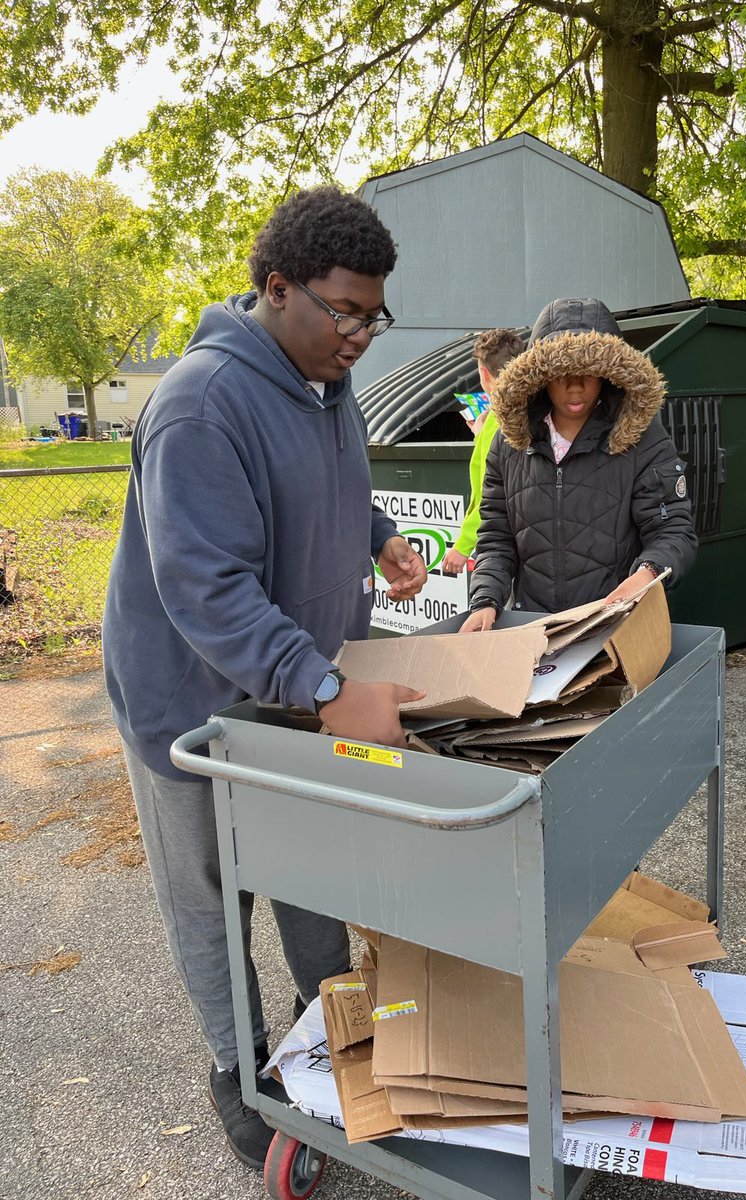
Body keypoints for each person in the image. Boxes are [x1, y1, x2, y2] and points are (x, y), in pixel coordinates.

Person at [102, 186, 427, 1170]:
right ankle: (236, 1063)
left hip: (289, 691)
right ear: (276, 287)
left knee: (311, 868)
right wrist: (329, 689)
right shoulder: (200, 403)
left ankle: (323, 1025)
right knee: (213, 893)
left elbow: (337, 483)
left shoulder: (329, 382)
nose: (361, 335)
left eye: (375, 314)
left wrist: (379, 539)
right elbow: (207, 588)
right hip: (192, 706)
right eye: (343, 310)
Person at [459, 297, 697, 629]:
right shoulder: (510, 441)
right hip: (533, 629)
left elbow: (673, 530)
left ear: (608, 374)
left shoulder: (643, 438)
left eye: (588, 371)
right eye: (562, 373)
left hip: (616, 625)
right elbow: (497, 538)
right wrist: (485, 601)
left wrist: (648, 574)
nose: (575, 386)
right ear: (541, 375)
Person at [441, 328, 526, 576]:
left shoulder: (498, 421)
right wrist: (481, 434)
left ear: (484, 373)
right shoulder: (519, 411)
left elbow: (490, 494)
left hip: (501, 545)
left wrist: (463, 545)